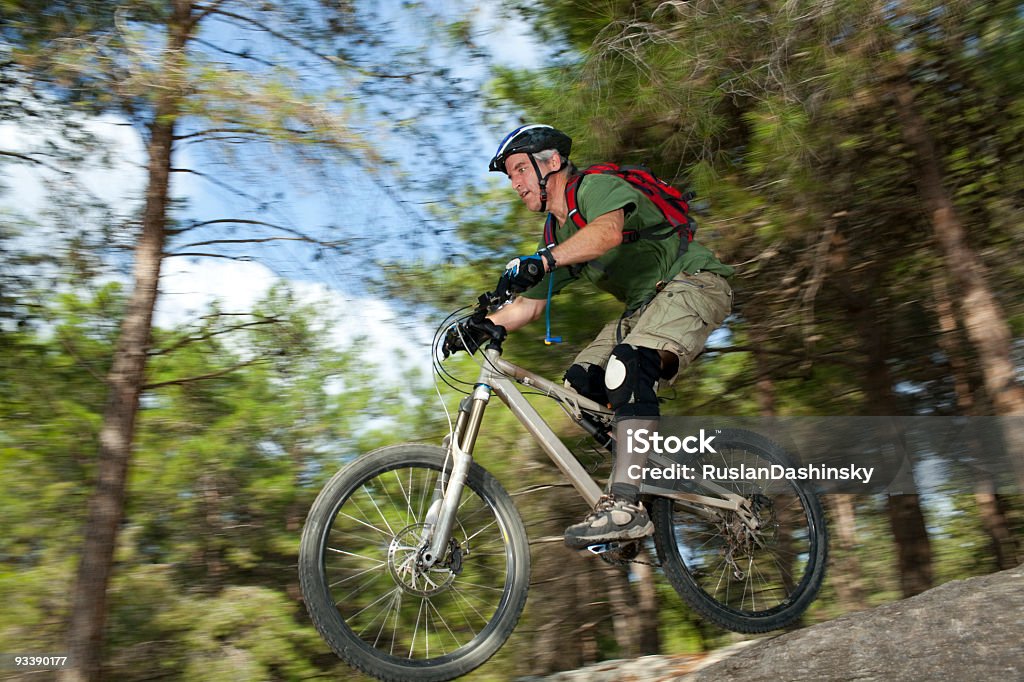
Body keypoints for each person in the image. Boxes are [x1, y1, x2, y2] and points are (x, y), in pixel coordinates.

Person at [444, 124, 734, 550]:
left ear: (553, 163)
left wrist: (543, 261)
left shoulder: (592, 189)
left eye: (521, 169)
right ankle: (642, 479)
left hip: (693, 283)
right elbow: (531, 304)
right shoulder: (556, 235)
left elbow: (607, 233)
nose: (516, 183)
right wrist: (481, 326)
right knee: (578, 388)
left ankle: (625, 505)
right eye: (510, 176)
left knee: (626, 365)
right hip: (644, 308)